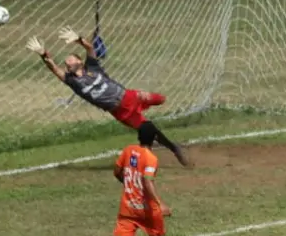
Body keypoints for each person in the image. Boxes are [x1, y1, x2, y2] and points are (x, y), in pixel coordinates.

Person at [26, 27, 190, 167]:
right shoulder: (72, 81)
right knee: (148, 128)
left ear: (79, 62)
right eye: (66, 62)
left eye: (71, 59)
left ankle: (159, 145)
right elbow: (53, 68)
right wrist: (43, 53)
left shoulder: (92, 66)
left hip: (129, 96)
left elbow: (90, 49)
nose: (67, 62)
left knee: (161, 99)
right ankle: (174, 148)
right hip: (119, 111)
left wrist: (78, 39)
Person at [112, 122, 176, 236]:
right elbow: (147, 181)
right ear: (154, 138)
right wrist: (160, 204)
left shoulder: (128, 151)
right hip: (146, 208)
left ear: (139, 136)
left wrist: (127, 183)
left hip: (128, 206)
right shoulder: (151, 158)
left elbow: (117, 171)